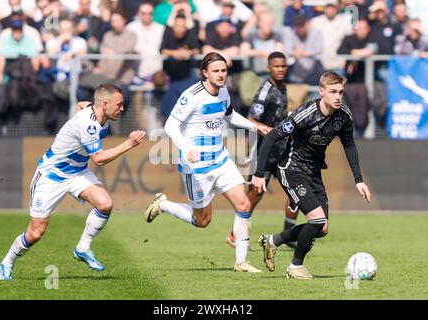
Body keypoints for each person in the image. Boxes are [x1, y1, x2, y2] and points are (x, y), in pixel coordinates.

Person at [0, 84, 146, 281]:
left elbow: (82, 104)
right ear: (104, 104)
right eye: (119, 104)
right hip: (51, 175)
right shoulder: (89, 124)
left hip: (77, 172)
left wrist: (77, 111)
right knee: (36, 232)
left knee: (105, 204)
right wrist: (130, 143)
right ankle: (6, 263)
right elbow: (99, 159)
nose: (122, 108)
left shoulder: (98, 111)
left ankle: (83, 248)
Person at [144, 52, 270, 272]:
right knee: (202, 221)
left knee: (244, 204)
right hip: (197, 167)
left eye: (223, 70)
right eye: (216, 71)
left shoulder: (223, 92)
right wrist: (187, 148)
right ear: (204, 73)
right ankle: (163, 204)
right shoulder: (191, 96)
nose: (221, 75)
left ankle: (241, 262)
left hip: (221, 160)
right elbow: (170, 126)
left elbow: (229, 115)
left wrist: (254, 126)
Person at [251, 71, 371, 279]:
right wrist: (259, 174)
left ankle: (272, 241)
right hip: (291, 168)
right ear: (322, 91)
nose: (337, 97)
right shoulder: (305, 114)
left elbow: (349, 144)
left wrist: (358, 180)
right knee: (316, 219)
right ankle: (295, 267)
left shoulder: (344, 115)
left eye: (341, 92)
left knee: (322, 228)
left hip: (314, 172)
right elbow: (271, 137)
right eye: (333, 92)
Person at [225, 52, 300, 249]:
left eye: (283, 66)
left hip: (283, 149)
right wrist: (263, 128)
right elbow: (251, 118)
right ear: (269, 68)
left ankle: (289, 235)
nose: (280, 69)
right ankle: (235, 235)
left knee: (296, 189)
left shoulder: (282, 87)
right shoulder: (265, 91)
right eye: (276, 66)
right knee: (256, 193)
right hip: (264, 150)